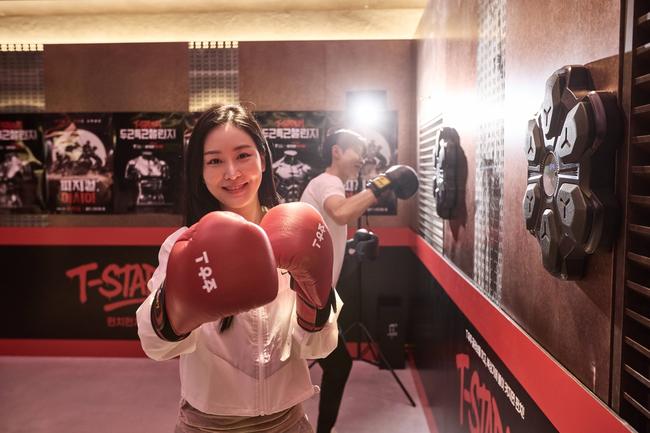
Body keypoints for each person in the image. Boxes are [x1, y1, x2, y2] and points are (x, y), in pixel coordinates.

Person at [136, 104, 342, 433]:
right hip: (207, 426)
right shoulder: (185, 245)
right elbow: (155, 346)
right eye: (215, 161)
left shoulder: (295, 232)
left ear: (263, 158)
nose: (232, 173)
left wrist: (315, 301)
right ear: (200, 171)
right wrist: (175, 309)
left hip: (289, 422)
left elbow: (319, 346)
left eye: (243, 155)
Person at [300, 129, 419, 433]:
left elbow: (328, 230)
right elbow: (340, 213)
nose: (362, 159)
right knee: (337, 365)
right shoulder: (328, 182)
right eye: (357, 152)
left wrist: (351, 246)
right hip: (309, 299)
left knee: (333, 365)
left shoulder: (325, 185)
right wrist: (383, 183)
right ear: (337, 151)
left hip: (315, 296)